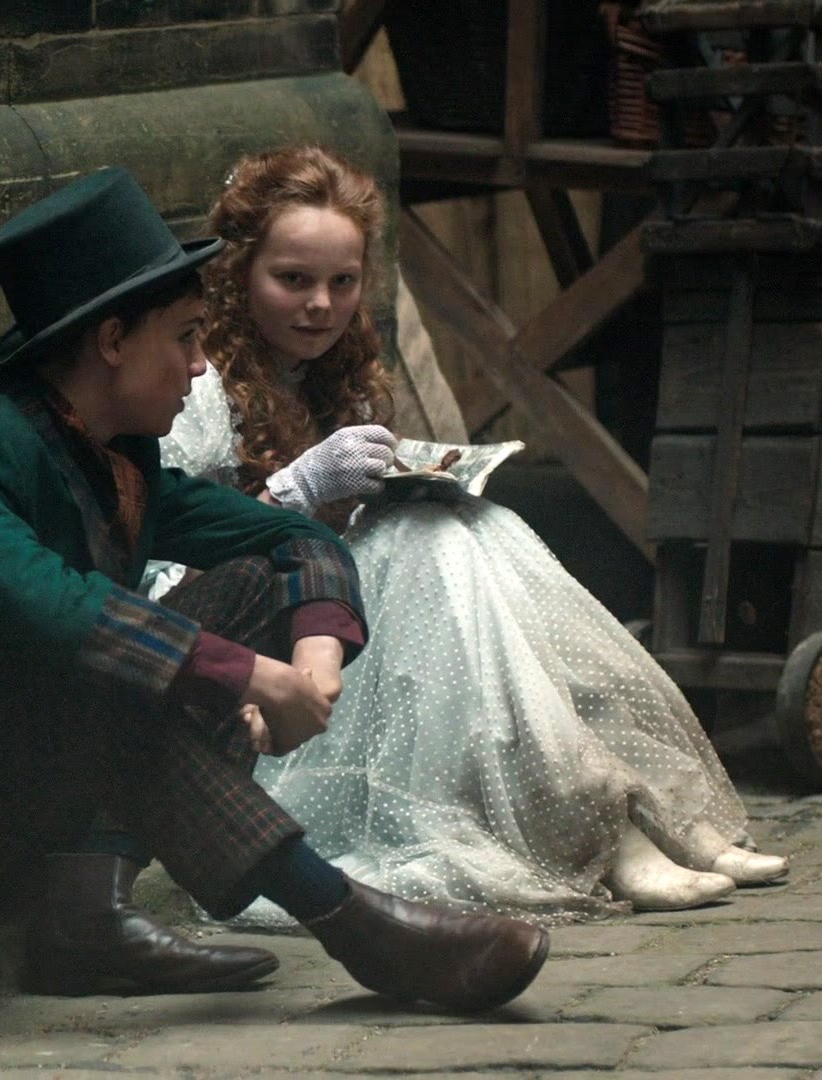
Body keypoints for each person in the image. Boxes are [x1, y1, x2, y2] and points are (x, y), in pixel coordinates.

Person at [0, 166, 550, 1013]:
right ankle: (347, 918)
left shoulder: (111, 451)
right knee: (90, 661)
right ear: (112, 340)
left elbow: (293, 539)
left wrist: (311, 667)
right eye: (187, 338)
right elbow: (63, 613)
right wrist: (251, 677)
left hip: (2, 791)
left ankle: (85, 914)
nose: (201, 367)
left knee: (239, 589)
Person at [151, 145, 789, 922]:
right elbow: (168, 577)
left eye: (342, 283)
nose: (321, 305)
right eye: (293, 280)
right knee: (437, 548)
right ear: (238, 274)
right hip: (270, 654)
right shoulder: (199, 386)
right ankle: (607, 827)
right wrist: (299, 489)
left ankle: (650, 816)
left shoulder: (334, 373)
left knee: (478, 529)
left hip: (351, 614)